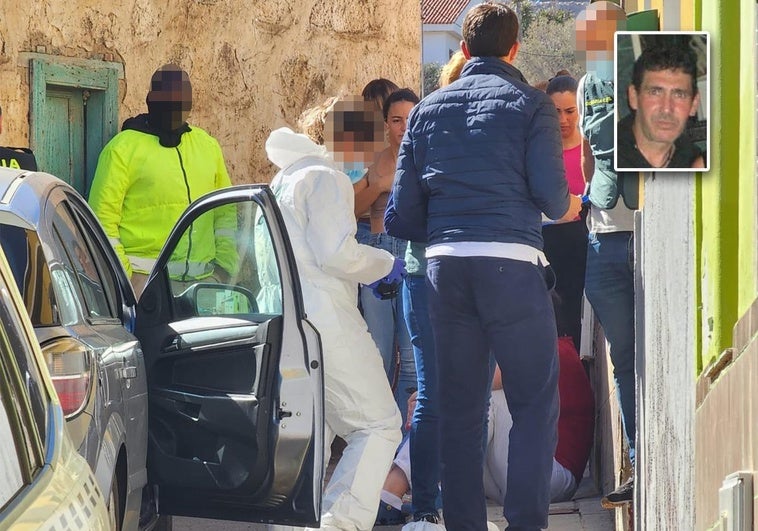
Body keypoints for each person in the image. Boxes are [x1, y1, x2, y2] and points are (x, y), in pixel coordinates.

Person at [385, 3, 582, 530]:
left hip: (446, 271)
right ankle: (524, 524)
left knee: (460, 409)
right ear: (515, 48)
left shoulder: (426, 111)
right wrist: (566, 207)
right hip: (513, 266)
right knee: (534, 405)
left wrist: (453, 229)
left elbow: (401, 216)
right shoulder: (532, 106)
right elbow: (549, 194)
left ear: (464, 50)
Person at [264, 95, 404, 531]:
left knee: (314, 432)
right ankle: (339, 524)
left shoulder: (285, 178)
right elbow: (335, 253)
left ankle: (295, 523)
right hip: (327, 323)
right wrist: (384, 265)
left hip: (289, 322)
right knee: (380, 424)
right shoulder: (328, 179)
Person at [89, 64, 235, 297]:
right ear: (150, 101)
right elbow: (102, 222)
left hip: (204, 286)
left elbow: (225, 213)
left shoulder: (208, 147)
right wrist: (128, 281)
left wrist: (224, 270)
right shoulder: (122, 149)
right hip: (144, 285)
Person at [575, 1, 636, 507]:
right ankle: (638, 457)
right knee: (624, 356)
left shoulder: (652, 71)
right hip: (603, 235)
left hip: (644, 228)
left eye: (598, 36)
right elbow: (590, 155)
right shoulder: (587, 85)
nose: (590, 47)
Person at [353, 89, 420, 428]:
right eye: (396, 120)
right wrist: (379, 186)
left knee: (410, 356)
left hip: (412, 255)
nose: (404, 127)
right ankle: (380, 432)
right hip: (376, 252)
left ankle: (406, 442)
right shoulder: (373, 160)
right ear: (386, 124)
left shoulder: (426, 157)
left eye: (410, 118)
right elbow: (351, 209)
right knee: (378, 351)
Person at [542, 74, 588, 351]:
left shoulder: (589, 149)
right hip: (549, 245)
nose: (563, 120)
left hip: (583, 243)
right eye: (556, 112)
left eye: (570, 111)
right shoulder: (540, 152)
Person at [616, 44, 705, 170]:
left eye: (679, 95)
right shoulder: (605, 157)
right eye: (655, 92)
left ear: (694, 104)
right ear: (634, 97)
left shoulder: (695, 163)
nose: (667, 108)